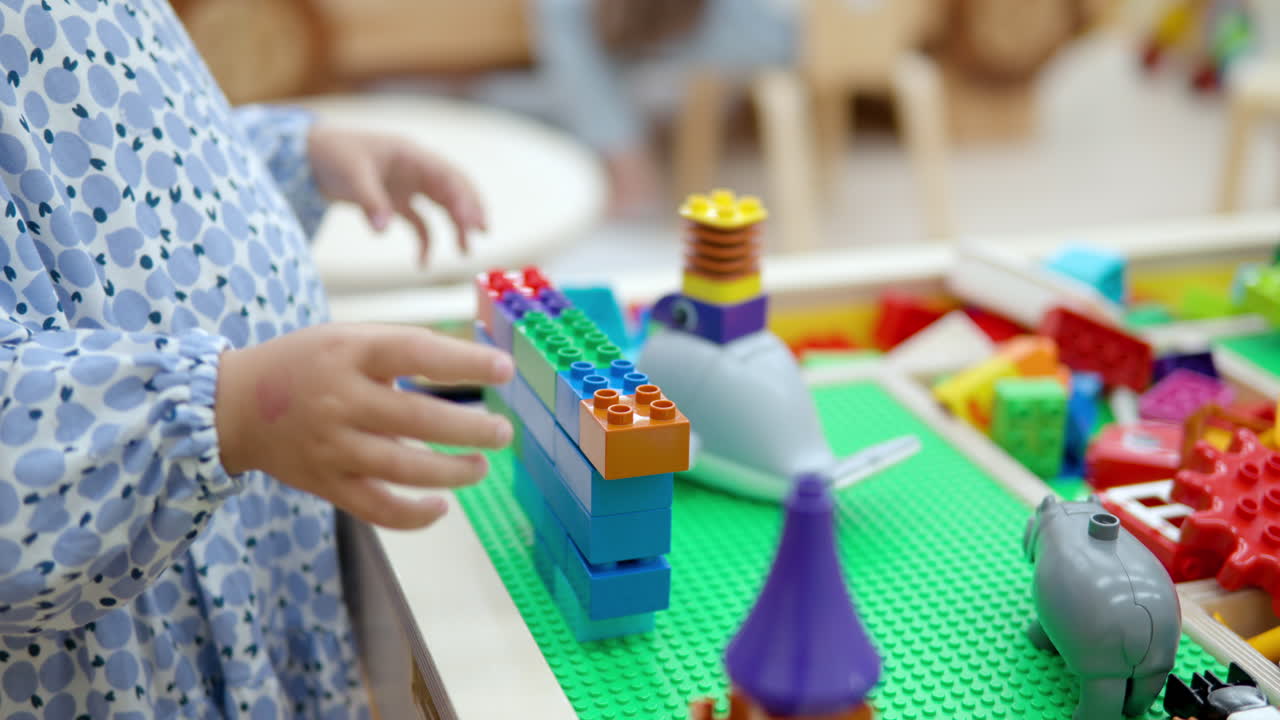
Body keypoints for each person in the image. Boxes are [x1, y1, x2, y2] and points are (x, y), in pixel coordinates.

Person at [0, 2, 514, 717]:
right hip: (121, 648)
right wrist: (230, 407)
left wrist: (284, 157)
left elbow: (115, 135)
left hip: (247, 562)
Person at [529, 0, 796, 214]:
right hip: (790, 31)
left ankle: (628, 170)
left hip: (785, 33)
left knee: (563, 12)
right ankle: (628, 163)